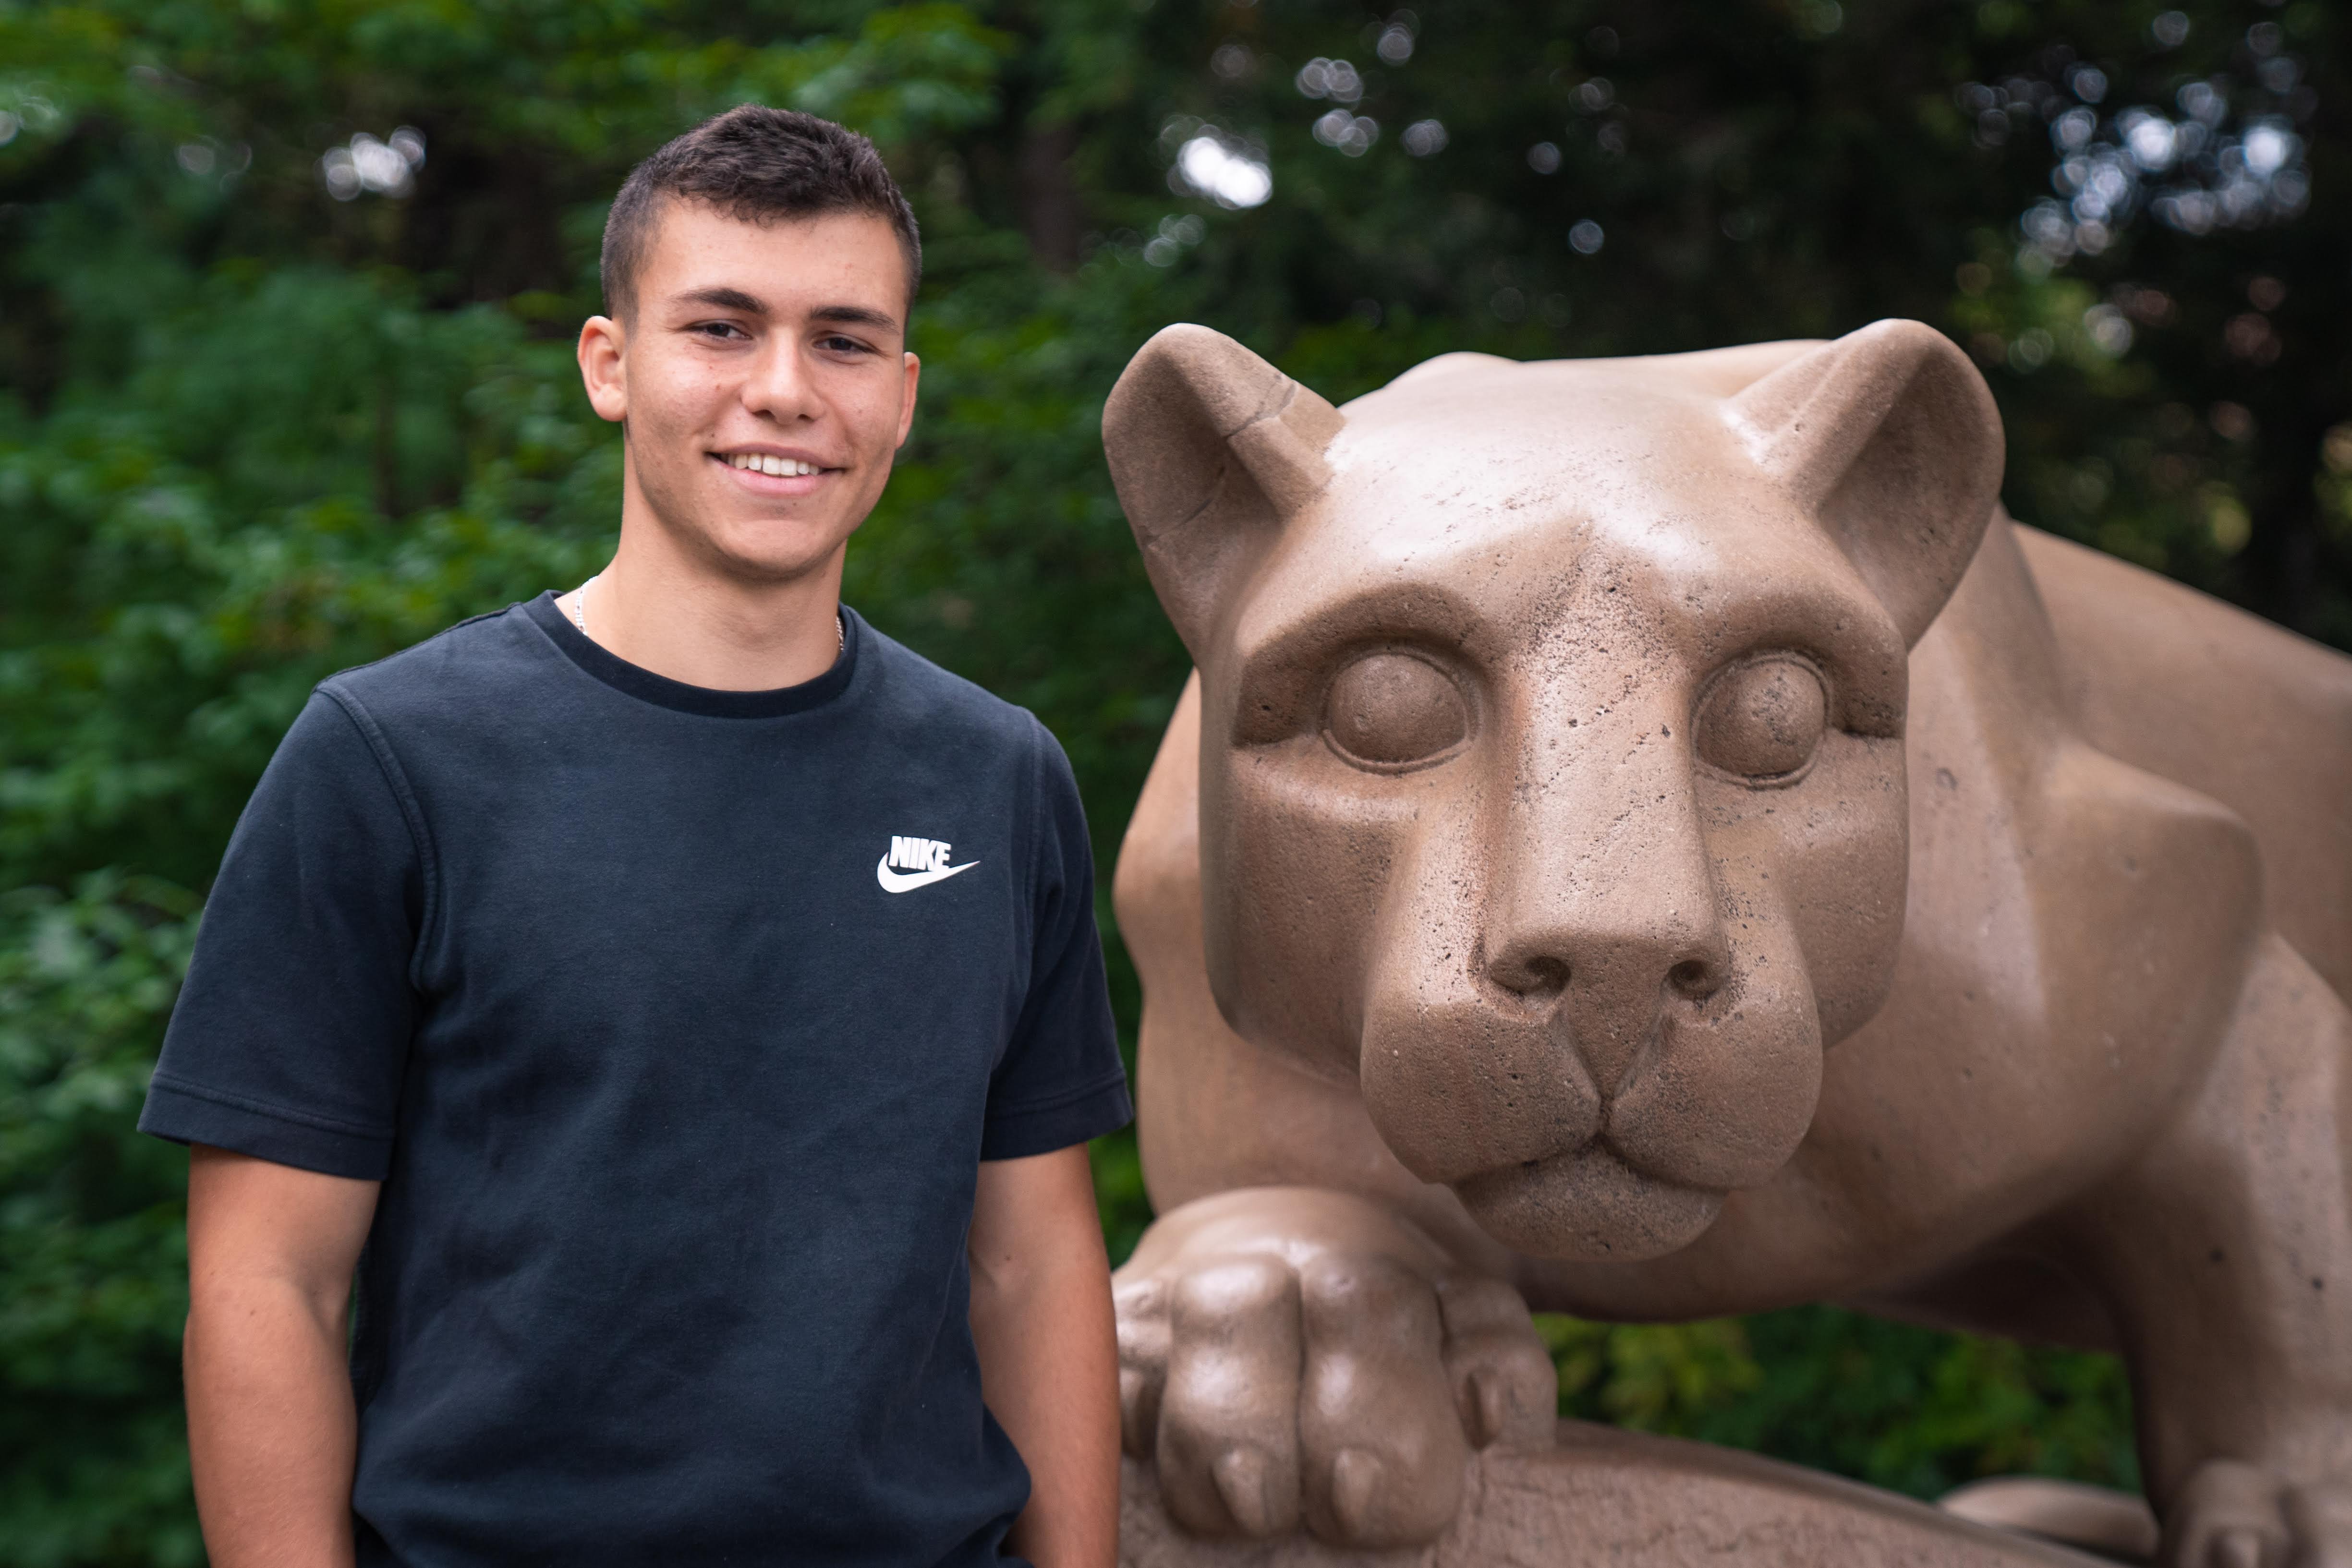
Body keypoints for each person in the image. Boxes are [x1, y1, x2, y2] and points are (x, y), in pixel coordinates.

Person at [138, 106, 1130, 1568]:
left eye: (844, 340)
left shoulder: (998, 777)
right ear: (612, 365)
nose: (784, 391)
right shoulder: (390, 757)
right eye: (720, 328)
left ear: (904, 393)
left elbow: (1032, 1259)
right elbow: (267, 1278)